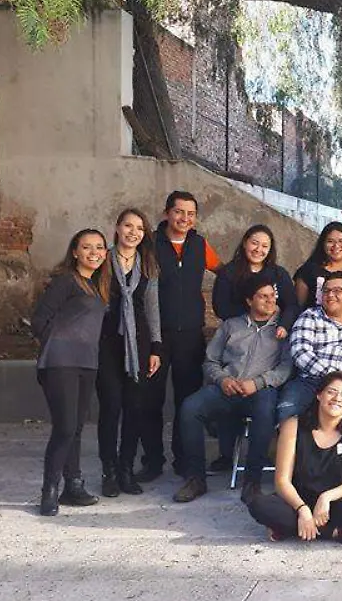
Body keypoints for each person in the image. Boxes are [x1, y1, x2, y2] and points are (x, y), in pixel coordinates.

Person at [174, 274, 291, 504]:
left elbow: (286, 368)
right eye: (263, 297)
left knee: (265, 411)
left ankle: (252, 482)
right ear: (249, 300)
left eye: (272, 296)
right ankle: (195, 478)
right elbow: (210, 361)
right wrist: (222, 380)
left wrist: (257, 383)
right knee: (190, 408)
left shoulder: (282, 329)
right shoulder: (231, 326)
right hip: (227, 388)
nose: (270, 301)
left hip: (261, 390)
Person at [31, 229, 109, 515]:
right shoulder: (66, 281)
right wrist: (60, 342)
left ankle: (73, 487)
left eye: (99, 247)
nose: (94, 252)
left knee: (75, 427)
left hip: (87, 363)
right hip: (60, 363)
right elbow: (39, 321)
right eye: (87, 247)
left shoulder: (96, 285)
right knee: (64, 428)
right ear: (75, 252)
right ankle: (49, 490)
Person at [248, 372, 342, 544]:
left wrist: (326, 498)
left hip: (336, 502)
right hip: (297, 501)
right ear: (319, 395)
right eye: (331, 392)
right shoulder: (293, 424)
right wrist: (302, 509)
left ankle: (290, 529)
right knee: (258, 503)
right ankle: (334, 532)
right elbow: (282, 481)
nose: (337, 398)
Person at [147, 190, 222, 482]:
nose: (185, 219)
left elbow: (225, 272)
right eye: (179, 212)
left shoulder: (200, 245)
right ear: (167, 213)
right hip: (156, 335)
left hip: (190, 335)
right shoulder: (150, 244)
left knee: (187, 401)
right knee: (150, 401)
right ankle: (152, 461)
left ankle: (184, 460)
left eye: (191, 214)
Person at [95, 209, 161, 498]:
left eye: (139, 228)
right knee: (111, 408)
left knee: (134, 409)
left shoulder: (148, 265)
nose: (133, 232)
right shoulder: (103, 260)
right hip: (107, 342)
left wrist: (156, 347)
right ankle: (108, 471)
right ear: (117, 228)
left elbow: (152, 308)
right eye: (128, 226)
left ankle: (126, 469)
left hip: (139, 344)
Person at [279, 271, 342, 421]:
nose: (330, 295)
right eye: (326, 291)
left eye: (337, 290)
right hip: (312, 381)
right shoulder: (311, 316)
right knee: (287, 410)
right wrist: (335, 374)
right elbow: (299, 352)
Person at [213, 225, 299, 331]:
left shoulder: (279, 274)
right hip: (238, 330)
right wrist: (257, 311)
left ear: (270, 249)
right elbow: (221, 308)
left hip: (273, 330)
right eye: (254, 243)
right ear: (245, 243)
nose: (258, 249)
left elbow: (291, 305)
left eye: (265, 246)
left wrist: (284, 325)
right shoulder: (228, 272)